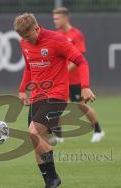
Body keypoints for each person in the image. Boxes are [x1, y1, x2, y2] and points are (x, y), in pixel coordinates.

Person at [13, 13, 95, 188]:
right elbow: (29, 67)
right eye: (22, 38)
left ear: (36, 28)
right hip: (37, 97)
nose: (26, 40)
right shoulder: (24, 42)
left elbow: (81, 61)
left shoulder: (56, 40)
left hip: (56, 95)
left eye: (27, 36)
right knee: (36, 141)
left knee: (33, 133)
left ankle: (54, 178)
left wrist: (85, 87)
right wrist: (21, 89)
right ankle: (51, 185)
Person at [53, 7, 105, 143]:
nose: (55, 21)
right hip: (62, 80)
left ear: (66, 18)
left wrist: (63, 73)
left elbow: (79, 60)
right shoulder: (56, 35)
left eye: (57, 18)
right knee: (56, 105)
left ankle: (98, 130)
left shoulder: (76, 34)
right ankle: (58, 135)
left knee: (82, 106)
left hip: (75, 79)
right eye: (54, 18)